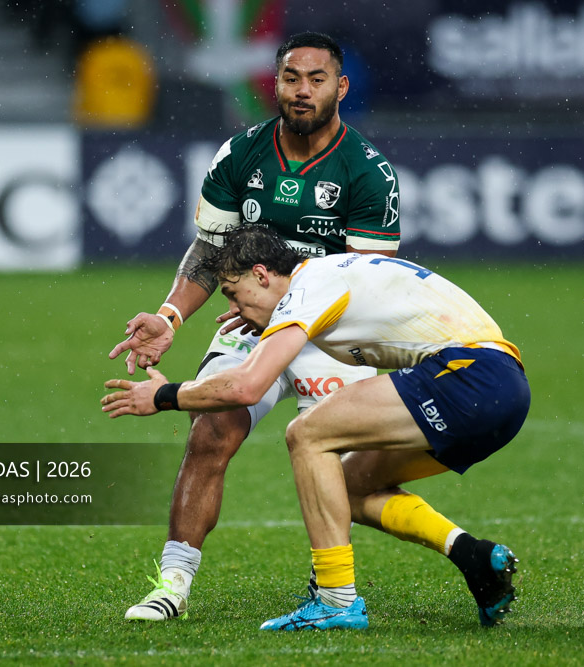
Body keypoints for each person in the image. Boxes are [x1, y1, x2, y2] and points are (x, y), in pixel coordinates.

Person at [102, 226, 531, 631]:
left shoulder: (308, 286)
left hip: (467, 375)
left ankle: (336, 599)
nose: (232, 310)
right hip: (504, 393)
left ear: (262, 275)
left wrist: (163, 397)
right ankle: (475, 558)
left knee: (307, 434)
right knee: (348, 487)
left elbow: (248, 385)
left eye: (234, 294)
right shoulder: (330, 275)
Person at [109, 32, 401, 621]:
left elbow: (364, 281)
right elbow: (210, 252)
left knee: (348, 472)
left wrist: (279, 300)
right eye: (291, 77)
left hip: (331, 336)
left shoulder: (369, 174)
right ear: (276, 82)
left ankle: (428, 561)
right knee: (210, 432)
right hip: (250, 323)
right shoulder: (239, 155)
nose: (302, 90)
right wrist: (169, 316)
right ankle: (172, 584)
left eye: (316, 79)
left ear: (340, 87)